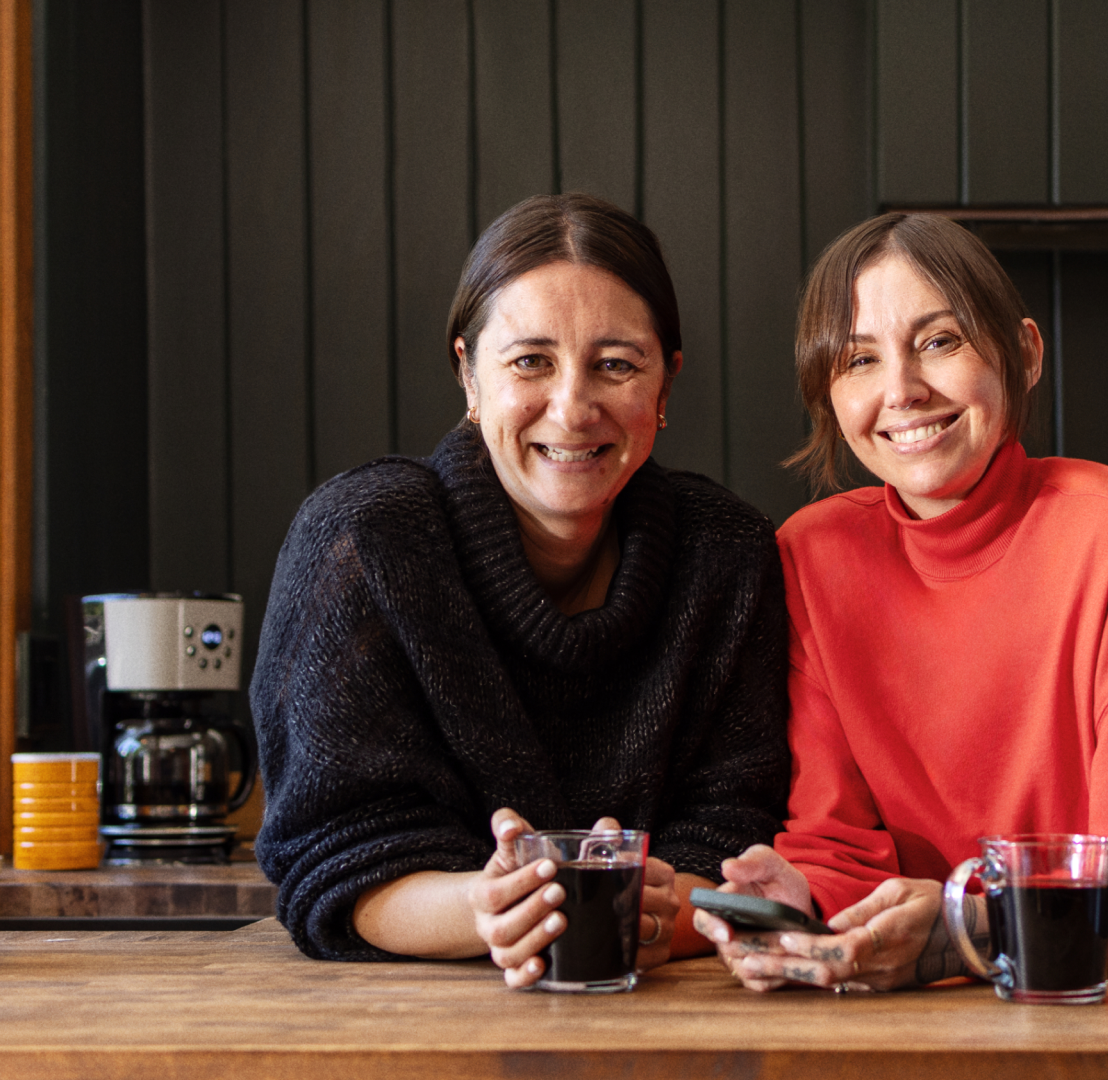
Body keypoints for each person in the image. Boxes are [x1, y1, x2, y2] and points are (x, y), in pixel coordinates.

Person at [694, 212, 1108, 992]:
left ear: (1024, 353)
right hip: (989, 985)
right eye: (860, 359)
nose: (901, 390)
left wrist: (968, 931)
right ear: (828, 395)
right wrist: (803, 898)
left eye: (940, 342)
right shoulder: (814, 556)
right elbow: (839, 842)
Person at [252, 193, 790, 986]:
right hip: (404, 1016)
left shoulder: (727, 551)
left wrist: (654, 914)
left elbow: (737, 840)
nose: (572, 408)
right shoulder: (365, 538)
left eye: (616, 364)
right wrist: (488, 907)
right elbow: (331, 857)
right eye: (529, 361)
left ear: (665, 386)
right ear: (468, 374)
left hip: (667, 1010)